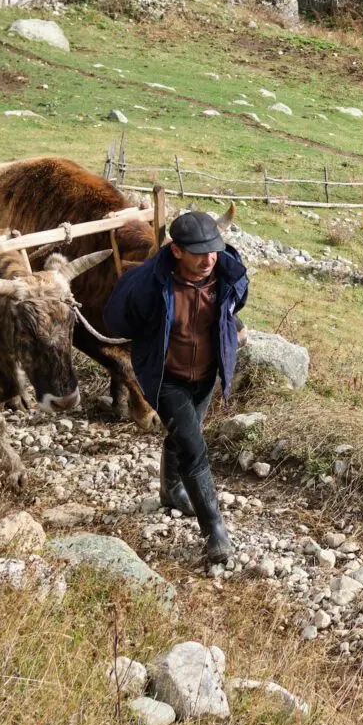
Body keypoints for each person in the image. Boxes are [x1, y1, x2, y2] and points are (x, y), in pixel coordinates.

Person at [105, 208, 249, 563]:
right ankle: (214, 531)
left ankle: (171, 491)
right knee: (193, 446)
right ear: (177, 251)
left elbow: (234, 303)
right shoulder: (148, 284)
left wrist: (233, 326)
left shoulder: (227, 271)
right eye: (198, 252)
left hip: (208, 373)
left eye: (212, 250)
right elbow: (116, 319)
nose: (207, 260)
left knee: (186, 433)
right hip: (167, 377)